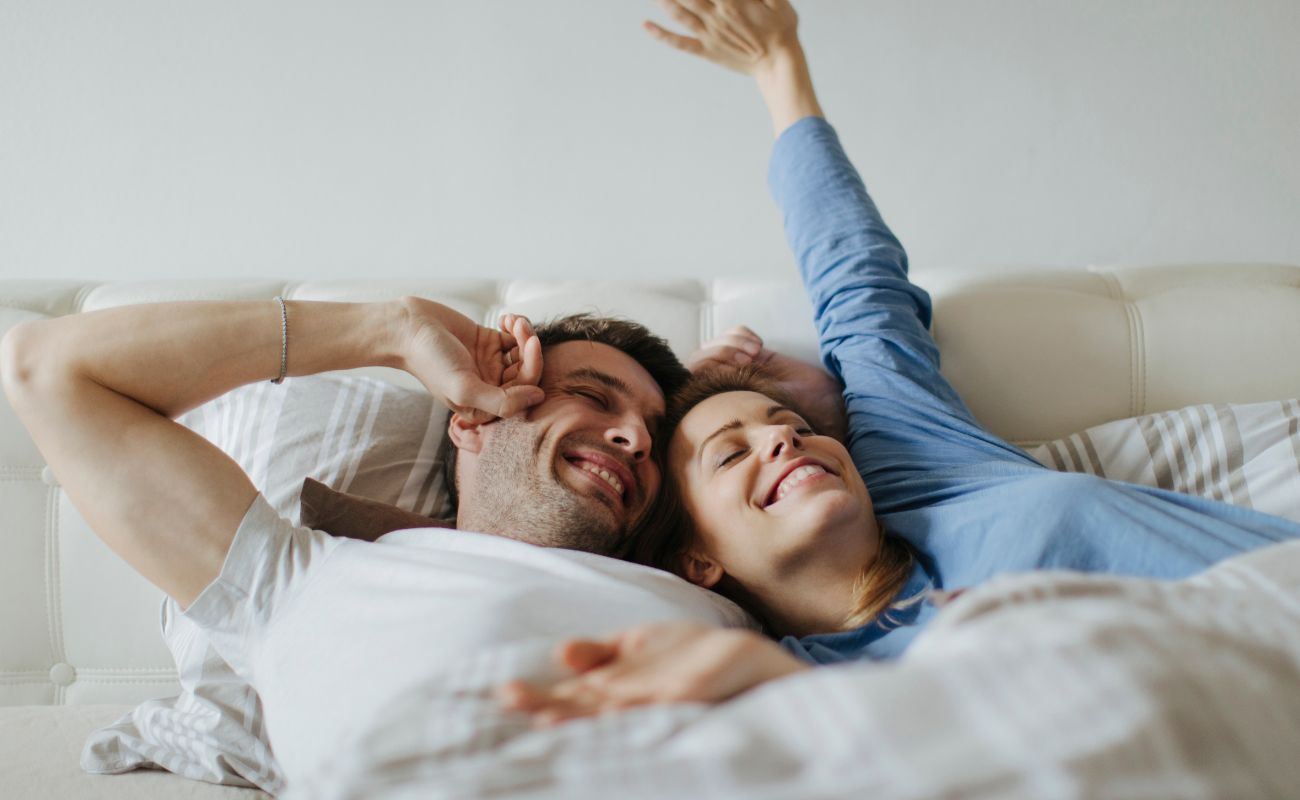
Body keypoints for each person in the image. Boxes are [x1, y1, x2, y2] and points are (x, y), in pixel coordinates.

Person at [499, 0, 1300, 726]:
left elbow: (857, 280)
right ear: (697, 560)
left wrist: (780, 69)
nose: (783, 439)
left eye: (789, 425)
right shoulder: (799, 689)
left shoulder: (922, 469)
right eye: (731, 454)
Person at [1, 294, 762, 784]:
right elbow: (44, 369)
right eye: (591, 397)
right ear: (474, 418)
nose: (635, 438)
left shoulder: (709, 577)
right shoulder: (293, 579)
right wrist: (392, 330)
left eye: (654, 437)